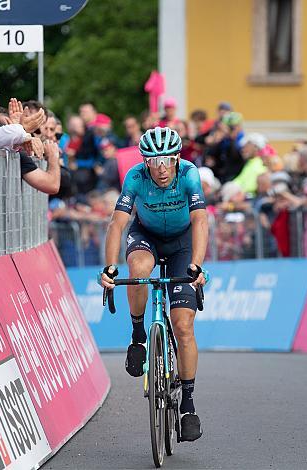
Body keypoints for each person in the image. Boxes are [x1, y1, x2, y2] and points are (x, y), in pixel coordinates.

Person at [98, 127, 208, 442]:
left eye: (166, 160)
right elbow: (117, 223)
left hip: (182, 244)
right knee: (139, 267)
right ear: (145, 161)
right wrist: (109, 268)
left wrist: (197, 265)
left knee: (183, 326)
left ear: (176, 158)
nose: (160, 168)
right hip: (145, 236)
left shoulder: (189, 174)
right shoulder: (135, 177)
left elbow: (200, 220)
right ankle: (138, 335)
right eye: (152, 161)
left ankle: (188, 405)